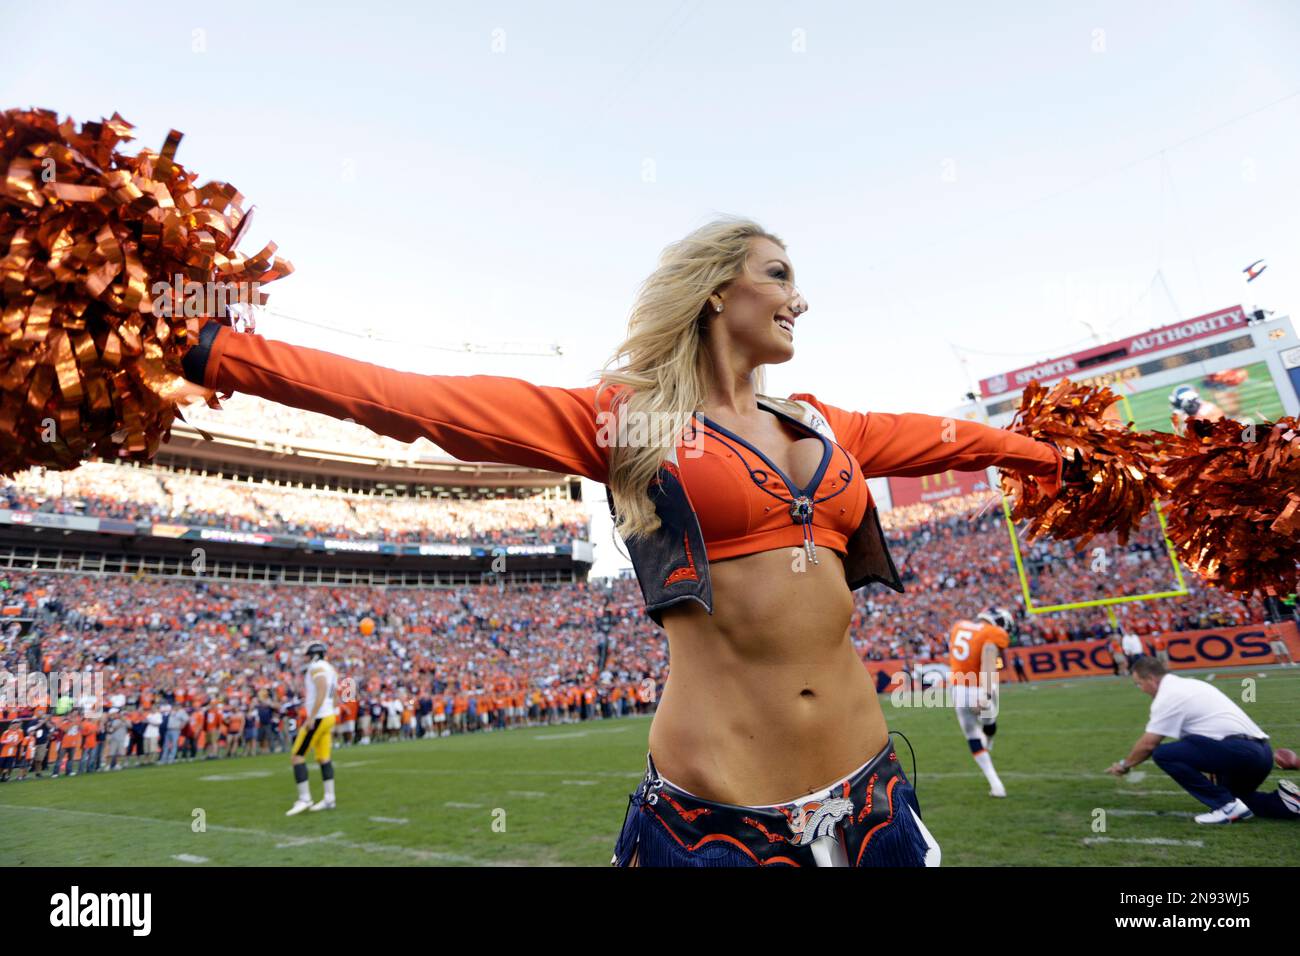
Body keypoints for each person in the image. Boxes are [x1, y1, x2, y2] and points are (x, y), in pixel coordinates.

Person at [176, 218, 1067, 866]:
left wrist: (1064, 456)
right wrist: (213, 350)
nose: (801, 297)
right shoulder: (626, 423)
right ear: (720, 291)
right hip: (721, 827)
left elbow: (956, 439)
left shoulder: (831, 425)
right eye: (779, 274)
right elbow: (418, 403)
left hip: (873, 803)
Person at [1106, 656, 1299, 824]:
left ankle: (1225, 807)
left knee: (1164, 754)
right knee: (1241, 799)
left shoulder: (1168, 696)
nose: (1140, 689)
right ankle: (1287, 802)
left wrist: (1125, 765)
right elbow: (1200, 739)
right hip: (1261, 753)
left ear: (1151, 679)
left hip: (1241, 752)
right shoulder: (1191, 684)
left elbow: (1148, 744)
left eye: (1139, 683)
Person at [948, 608, 1012, 798]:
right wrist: (986, 693)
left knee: (972, 736)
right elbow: (989, 658)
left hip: (958, 689)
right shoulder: (994, 633)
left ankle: (996, 784)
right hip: (977, 687)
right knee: (989, 721)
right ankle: (990, 740)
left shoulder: (958, 625)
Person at [285, 642, 339, 816]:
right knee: (324, 757)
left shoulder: (317, 667)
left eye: (308, 654)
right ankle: (329, 798)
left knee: (297, 756)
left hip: (319, 717)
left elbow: (322, 688)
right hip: (328, 715)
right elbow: (334, 694)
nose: (306, 658)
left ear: (315, 655)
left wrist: (311, 716)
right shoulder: (330, 667)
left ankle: (304, 798)